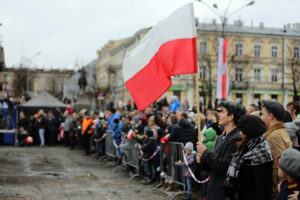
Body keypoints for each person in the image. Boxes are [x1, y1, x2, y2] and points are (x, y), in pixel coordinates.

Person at [196, 101, 246, 200]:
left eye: (222, 112)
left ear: (231, 117)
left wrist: (206, 152)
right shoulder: (221, 137)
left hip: (223, 192)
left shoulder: (237, 138)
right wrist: (201, 161)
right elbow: (214, 164)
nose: (218, 114)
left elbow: (225, 166)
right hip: (214, 189)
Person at [224, 115, 273, 200]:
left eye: (242, 130)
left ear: (249, 132)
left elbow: (259, 187)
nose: (240, 133)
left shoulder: (256, 154)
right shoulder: (255, 147)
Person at [261, 100, 292, 199]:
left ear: (270, 116)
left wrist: (275, 193)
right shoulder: (280, 132)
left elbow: (276, 166)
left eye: (262, 114)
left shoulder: (274, 136)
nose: (261, 117)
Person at [199, 128, 217, 200]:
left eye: (205, 136)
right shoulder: (206, 143)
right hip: (205, 165)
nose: (204, 137)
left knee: (205, 180)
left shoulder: (209, 144)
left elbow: (206, 154)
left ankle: (205, 194)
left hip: (206, 165)